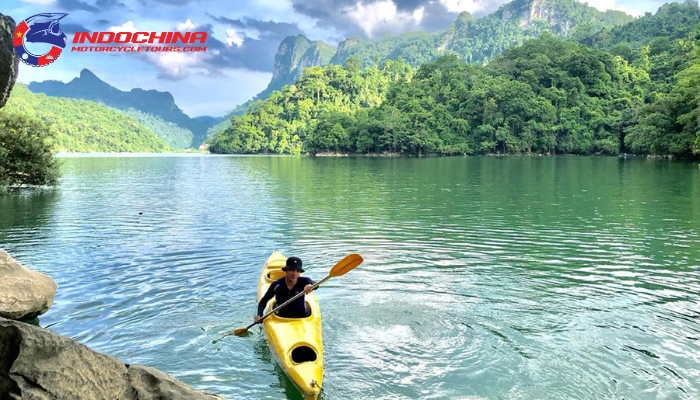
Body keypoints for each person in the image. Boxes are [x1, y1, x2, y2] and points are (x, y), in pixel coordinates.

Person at [254, 256, 315, 323]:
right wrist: (259, 315)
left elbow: (314, 283)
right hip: (281, 319)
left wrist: (310, 285)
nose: (294, 274)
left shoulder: (304, 281)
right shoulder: (277, 285)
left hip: (301, 318)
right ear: (286, 270)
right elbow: (263, 302)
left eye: (297, 271)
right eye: (291, 270)